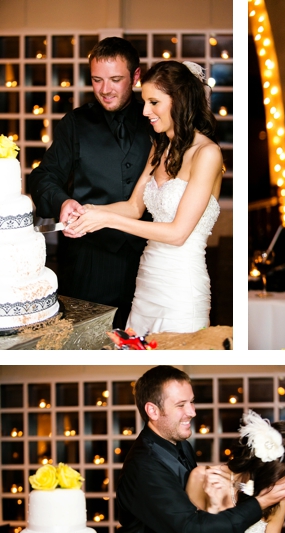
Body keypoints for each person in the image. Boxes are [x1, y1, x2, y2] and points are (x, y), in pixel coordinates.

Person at [112, 366, 285, 533]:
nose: (192, 412)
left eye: (192, 402)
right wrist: (258, 504)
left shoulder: (181, 446)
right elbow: (192, 532)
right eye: (181, 405)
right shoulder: (145, 467)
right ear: (153, 411)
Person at [67, 60, 222, 333]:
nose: (145, 111)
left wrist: (106, 220)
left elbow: (178, 233)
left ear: (180, 100)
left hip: (182, 288)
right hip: (147, 280)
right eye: (145, 101)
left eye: (154, 102)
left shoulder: (206, 154)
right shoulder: (159, 148)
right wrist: (89, 211)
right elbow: (134, 207)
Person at [28, 37, 153, 328]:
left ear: (136, 76)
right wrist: (62, 202)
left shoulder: (156, 120)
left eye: (115, 79)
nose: (105, 90)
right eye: (97, 80)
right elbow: (43, 176)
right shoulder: (75, 123)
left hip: (149, 259)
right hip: (89, 262)